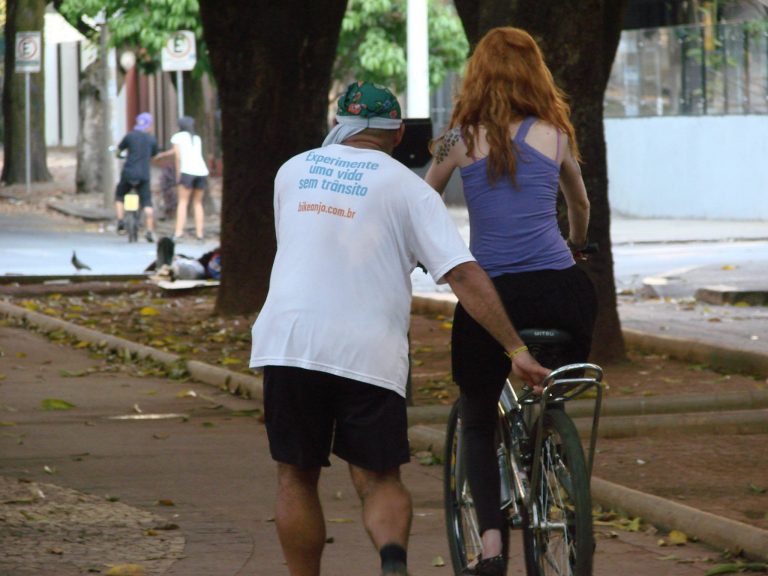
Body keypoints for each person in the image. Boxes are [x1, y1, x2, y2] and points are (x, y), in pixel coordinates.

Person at [249, 81, 551, 576]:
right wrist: (515, 349)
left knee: (296, 476)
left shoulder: (292, 171)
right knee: (380, 478)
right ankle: (392, 563)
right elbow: (462, 274)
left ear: (339, 125)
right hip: (370, 351)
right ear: (397, 135)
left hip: (290, 342)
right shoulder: (410, 189)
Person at [424, 27, 598, 576]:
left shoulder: (457, 140)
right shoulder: (556, 134)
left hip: (491, 296)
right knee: (553, 384)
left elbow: (423, 200)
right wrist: (576, 245)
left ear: (477, 75)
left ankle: (493, 545)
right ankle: (550, 441)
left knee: (477, 416)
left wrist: (432, 252)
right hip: (560, 291)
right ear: (535, 73)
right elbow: (580, 205)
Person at [115, 112, 159, 243]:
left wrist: (119, 154)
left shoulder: (130, 136)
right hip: (144, 175)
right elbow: (154, 154)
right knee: (146, 202)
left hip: (128, 173)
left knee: (119, 195)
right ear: (149, 125)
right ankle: (149, 231)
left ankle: (121, 222)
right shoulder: (151, 139)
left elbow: (119, 150)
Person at [169, 116, 209, 242]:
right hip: (201, 171)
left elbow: (178, 157)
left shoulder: (177, 137)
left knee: (183, 202)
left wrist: (178, 175)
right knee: (198, 203)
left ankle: (178, 233)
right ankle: (200, 234)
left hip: (187, 171)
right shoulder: (197, 138)